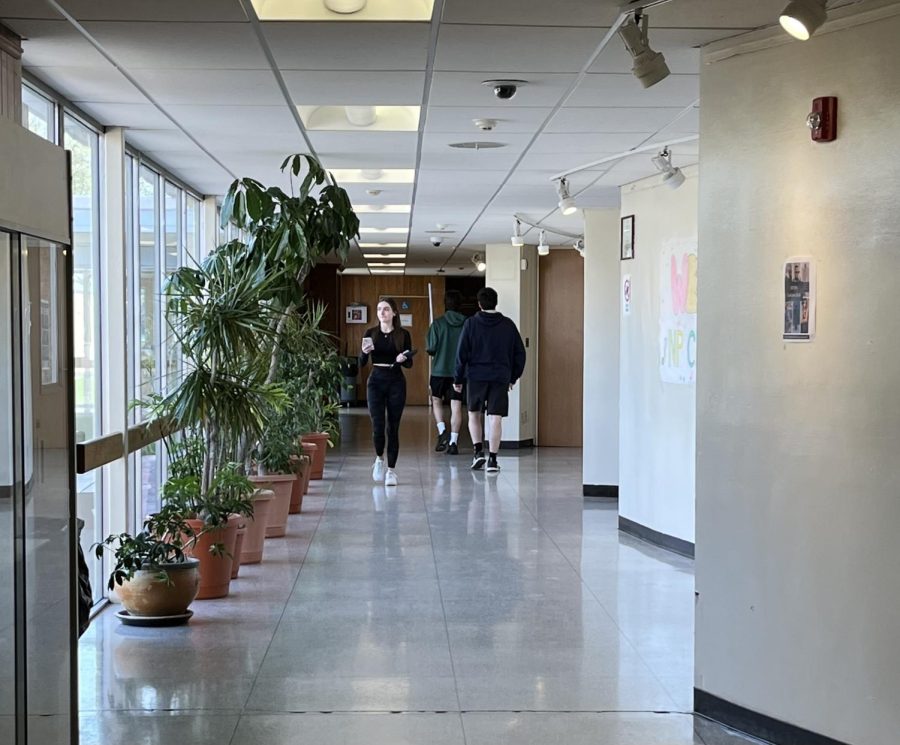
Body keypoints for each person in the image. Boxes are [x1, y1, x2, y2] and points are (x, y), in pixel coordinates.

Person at [454, 286, 526, 473]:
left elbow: (461, 354)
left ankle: (478, 452)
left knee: (474, 414)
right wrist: (513, 377)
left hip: (476, 376)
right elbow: (520, 353)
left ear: (479, 304)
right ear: (496, 302)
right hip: (500, 377)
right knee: (496, 418)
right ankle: (493, 460)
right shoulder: (508, 325)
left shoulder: (471, 324)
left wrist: (458, 378)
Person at [359, 298, 413, 486]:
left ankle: (391, 471)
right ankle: (379, 459)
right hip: (376, 381)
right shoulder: (370, 333)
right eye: (380, 309)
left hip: (396, 381)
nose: (382, 312)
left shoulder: (402, 334)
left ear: (394, 313)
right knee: (377, 425)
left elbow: (409, 363)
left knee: (393, 426)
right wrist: (365, 352)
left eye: (386, 309)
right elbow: (361, 362)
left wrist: (401, 358)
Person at [426, 289, 467, 455]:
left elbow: (431, 348)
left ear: (445, 304)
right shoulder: (467, 323)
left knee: (436, 400)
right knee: (456, 405)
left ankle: (442, 431)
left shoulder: (437, 323)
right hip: (459, 372)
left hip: (439, 370)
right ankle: (453, 442)